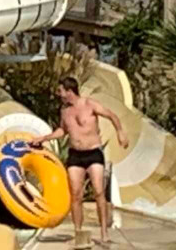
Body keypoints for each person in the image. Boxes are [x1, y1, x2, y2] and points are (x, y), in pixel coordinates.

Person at [29, 76, 126, 240]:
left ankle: (104, 231)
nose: (58, 94)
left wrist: (120, 132)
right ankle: (78, 231)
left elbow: (111, 115)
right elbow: (62, 130)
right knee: (76, 194)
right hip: (75, 155)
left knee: (98, 191)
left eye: (60, 91)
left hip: (93, 153)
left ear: (69, 91)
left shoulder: (90, 104)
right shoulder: (65, 111)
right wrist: (43, 138)